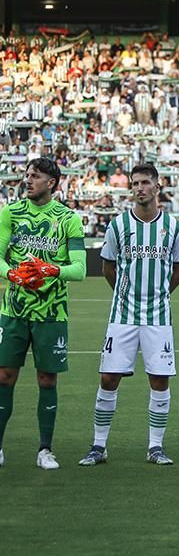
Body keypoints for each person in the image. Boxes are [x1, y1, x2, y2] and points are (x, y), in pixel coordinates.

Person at [79, 164, 179, 467]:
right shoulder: (117, 226)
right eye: (135, 183)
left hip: (158, 317)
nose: (139, 188)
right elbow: (107, 268)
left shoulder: (174, 227)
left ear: (157, 187)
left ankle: (155, 446)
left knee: (159, 379)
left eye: (145, 183)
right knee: (109, 378)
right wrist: (125, 293)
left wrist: (159, 294)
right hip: (123, 315)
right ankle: (98, 445)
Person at [0, 159, 86, 470]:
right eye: (27, 174)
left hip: (51, 313)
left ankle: (45, 450)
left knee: (47, 379)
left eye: (35, 176)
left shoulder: (68, 219)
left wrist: (50, 269)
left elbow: (79, 269)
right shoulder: (11, 213)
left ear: (52, 182)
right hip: (13, 311)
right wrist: (12, 275)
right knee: (4, 376)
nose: (28, 180)